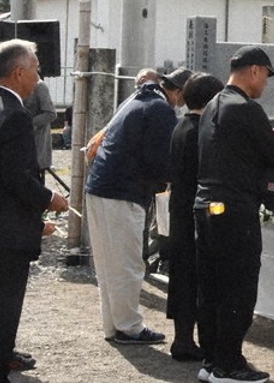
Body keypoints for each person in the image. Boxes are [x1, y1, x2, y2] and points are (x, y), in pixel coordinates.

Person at [194, 46, 274, 383]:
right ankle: (229, 365)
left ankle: (212, 361)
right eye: (266, 77)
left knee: (211, 287)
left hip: (206, 205)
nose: (266, 84)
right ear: (255, 70)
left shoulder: (213, 105)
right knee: (238, 287)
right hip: (234, 208)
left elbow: (244, 149)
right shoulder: (247, 108)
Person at [0, 39, 68, 382]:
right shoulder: (16, 116)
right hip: (3, 236)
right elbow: (17, 178)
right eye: (36, 68)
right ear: (19, 72)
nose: (39, 76)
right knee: (0, 317)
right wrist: (50, 198)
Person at [85, 67, 190, 345]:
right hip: (124, 191)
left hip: (99, 186)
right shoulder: (160, 109)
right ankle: (129, 327)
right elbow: (158, 161)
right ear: (179, 91)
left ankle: (114, 325)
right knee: (128, 263)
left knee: (108, 265)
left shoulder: (136, 100)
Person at [166, 72, 223, 363]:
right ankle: (193, 341)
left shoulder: (181, 126)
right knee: (198, 277)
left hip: (179, 209)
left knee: (182, 275)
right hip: (197, 212)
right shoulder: (202, 131)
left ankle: (183, 338)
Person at [22, 81, 56, 182]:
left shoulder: (40, 87)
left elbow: (51, 114)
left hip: (37, 145)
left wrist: (30, 123)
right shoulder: (17, 85)